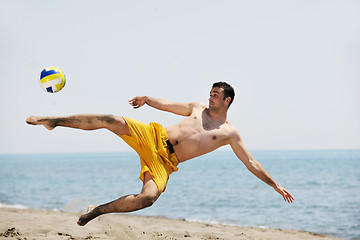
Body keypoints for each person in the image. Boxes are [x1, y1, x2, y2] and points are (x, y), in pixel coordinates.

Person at [26, 82, 294, 226]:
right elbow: (168, 105)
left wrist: (275, 184)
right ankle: (53, 120)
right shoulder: (197, 107)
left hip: (166, 162)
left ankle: (96, 210)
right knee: (109, 120)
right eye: (210, 94)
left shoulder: (229, 133)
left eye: (216, 95)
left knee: (148, 198)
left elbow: (250, 161)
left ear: (228, 101)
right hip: (152, 136)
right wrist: (147, 99)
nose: (210, 98)